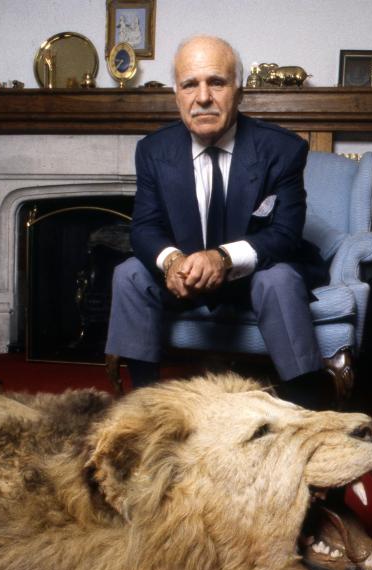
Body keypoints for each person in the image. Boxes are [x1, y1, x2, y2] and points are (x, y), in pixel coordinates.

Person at [105, 34, 329, 403]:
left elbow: (285, 234)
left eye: (217, 83)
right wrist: (172, 262)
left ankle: (306, 405)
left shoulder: (282, 150)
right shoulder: (153, 151)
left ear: (239, 92)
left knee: (281, 278)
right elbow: (144, 228)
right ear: (176, 94)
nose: (203, 97)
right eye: (190, 85)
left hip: (251, 278)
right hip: (185, 281)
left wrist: (222, 259)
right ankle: (143, 406)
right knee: (128, 272)